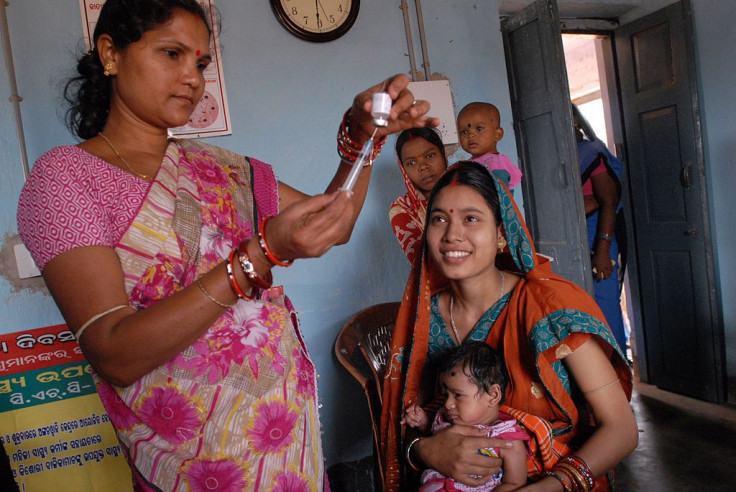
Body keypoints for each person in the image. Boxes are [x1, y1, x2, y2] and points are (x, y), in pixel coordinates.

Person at [15, 1, 438, 490]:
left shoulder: (222, 166)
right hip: (195, 462)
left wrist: (362, 141)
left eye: (199, 64)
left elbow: (331, 224)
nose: (192, 78)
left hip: (287, 445)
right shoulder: (66, 180)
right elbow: (114, 353)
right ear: (110, 53)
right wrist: (259, 256)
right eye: (170, 54)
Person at [381, 162, 637, 491]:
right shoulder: (423, 319)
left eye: (471, 218)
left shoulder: (549, 308)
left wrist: (545, 487)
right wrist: (425, 449)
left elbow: (621, 429)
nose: (451, 234)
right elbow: (406, 423)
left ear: (502, 233)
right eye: (439, 219)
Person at [403, 341, 529, 492]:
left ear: (492, 395)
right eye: (446, 395)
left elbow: (515, 484)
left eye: (458, 395)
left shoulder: (507, 440)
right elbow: (434, 436)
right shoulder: (446, 418)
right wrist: (422, 422)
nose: (448, 404)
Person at [572, 105, 627, 353]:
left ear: (574, 120)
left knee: (605, 309)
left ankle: (616, 376)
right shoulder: (560, 156)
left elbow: (608, 201)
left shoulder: (591, 152)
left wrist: (602, 250)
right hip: (572, 238)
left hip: (598, 235)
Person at [389, 127, 449, 264]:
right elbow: (422, 263)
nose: (423, 166)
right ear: (403, 169)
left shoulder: (469, 190)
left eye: (430, 156)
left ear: (443, 154)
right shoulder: (402, 208)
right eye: (411, 163)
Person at [457, 102, 522, 191]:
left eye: (479, 129)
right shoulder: (468, 163)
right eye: (464, 132)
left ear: (497, 134)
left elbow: (499, 198)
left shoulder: (496, 166)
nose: (470, 135)